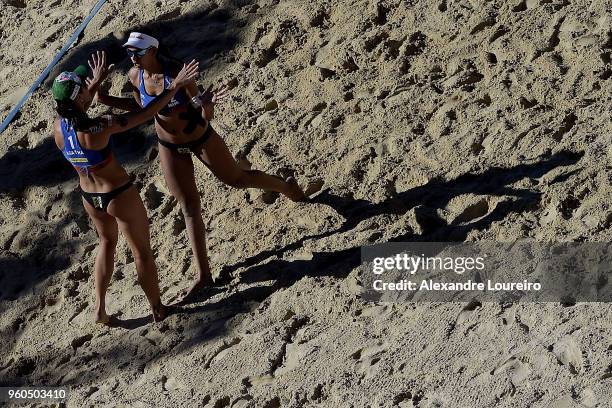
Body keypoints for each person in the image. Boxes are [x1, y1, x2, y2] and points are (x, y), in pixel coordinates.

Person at [95, 32, 308, 302]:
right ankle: (203, 275)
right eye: (129, 52)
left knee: (237, 179)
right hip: (168, 145)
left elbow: (202, 110)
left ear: (152, 51)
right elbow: (142, 107)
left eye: (136, 52)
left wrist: (208, 107)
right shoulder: (135, 77)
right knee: (188, 207)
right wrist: (105, 100)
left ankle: (285, 186)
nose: (132, 57)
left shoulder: (177, 73)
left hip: (199, 137)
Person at [52, 50, 199, 323]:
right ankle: (157, 308)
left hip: (89, 196)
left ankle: (100, 309)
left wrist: (94, 85)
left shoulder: (58, 128)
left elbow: (77, 107)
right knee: (141, 252)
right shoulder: (100, 126)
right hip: (117, 194)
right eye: (83, 88)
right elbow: (147, 113)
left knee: (106, 243)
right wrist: (174, 86)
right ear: (80, 98)